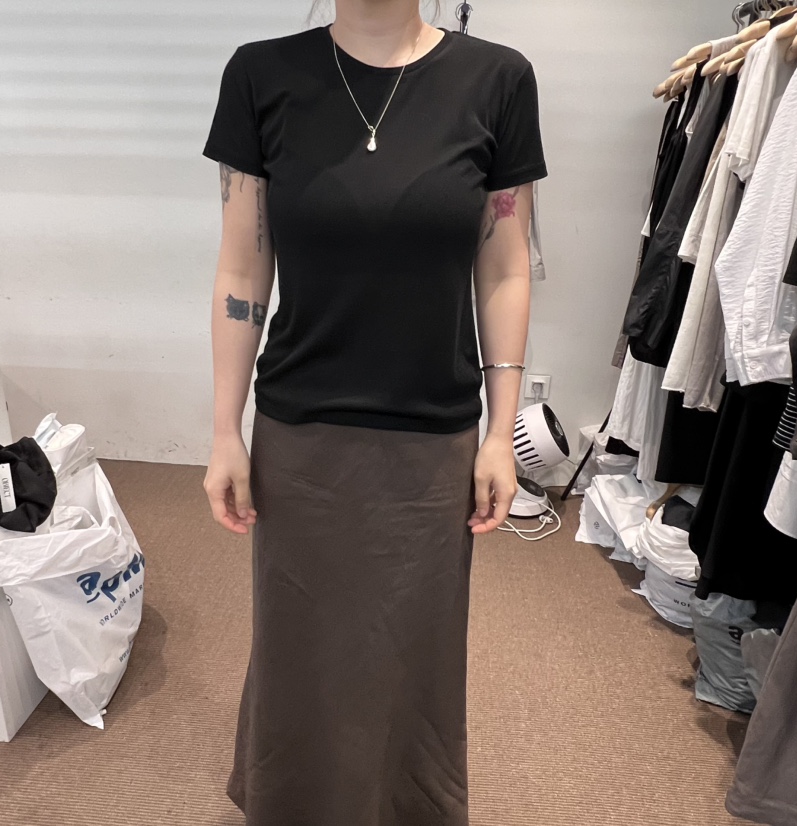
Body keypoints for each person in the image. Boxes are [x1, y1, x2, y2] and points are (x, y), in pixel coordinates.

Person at [201, 0, 547, 822]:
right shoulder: (260, 74)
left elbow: (505, 268)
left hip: (432, 436)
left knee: (414, 650)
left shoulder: (498, 80)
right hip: (302, 433)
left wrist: (501, 433)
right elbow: (242, 269)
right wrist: (223, 431)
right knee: (300, 642)